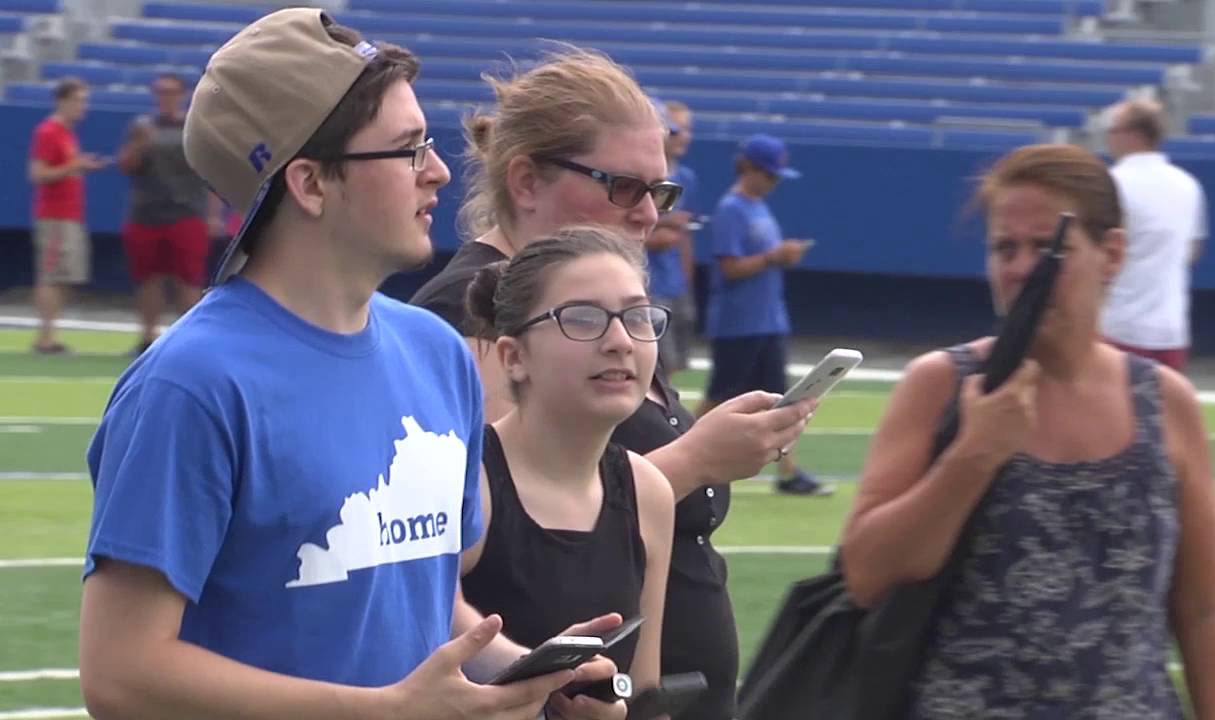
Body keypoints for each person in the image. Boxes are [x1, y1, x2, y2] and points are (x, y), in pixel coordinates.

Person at [78, 10, 621, 720]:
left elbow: (427, 602)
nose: (436, 173)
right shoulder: (193, 385)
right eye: (407, 150)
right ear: (308, 183)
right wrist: (383, 709)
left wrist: (523, 672)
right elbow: (121, 673)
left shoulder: (438, 356)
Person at [409, 47, 816, 720]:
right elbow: (510, 530)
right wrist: (696, 460)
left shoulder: (619, 311)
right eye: (622, 186)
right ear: (527, 181)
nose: (649, 214)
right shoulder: (470, 314)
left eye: (660, 191)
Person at [840, 144, 1215, 718]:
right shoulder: (942, 386)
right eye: (1005, 248)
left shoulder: (1164, 403)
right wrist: (973, 455)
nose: (1022, 268)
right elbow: (867, 574)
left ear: (1113, 253)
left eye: (1049, 248)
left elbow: (1203, 608)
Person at [461, 226, 675, 702]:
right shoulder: (466, 481)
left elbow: (642, 691)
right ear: (514, 357)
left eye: (637, 317)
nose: (620, 341)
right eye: (583, 318)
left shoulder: (648, 492)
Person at [699, 134, 827, 497]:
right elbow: (730, 267)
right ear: (748, 168)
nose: (773, 182)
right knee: (721, 393)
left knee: (781, 397)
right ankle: (675, 448)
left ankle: (788, 471)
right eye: (769, 174)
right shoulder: (731, 209)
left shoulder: (756, 207)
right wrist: (775, 257)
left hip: (767, 318)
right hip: (739, 322)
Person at [1100, 98, 1208, 372]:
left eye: (1112, 130)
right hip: (1171, 330)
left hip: (1118, 327)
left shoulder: (1113, 182)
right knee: (1163, 414)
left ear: (1132, 135)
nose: (1108, 138)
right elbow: (1191, 252)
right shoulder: (1187, 185)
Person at [116, 72, 220, 354]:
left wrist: (212, 214)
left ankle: (190, 339)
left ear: (182, 95)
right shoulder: (142, 127)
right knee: (147, 278)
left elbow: (209, 173)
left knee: (188, 279)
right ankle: (147, 337)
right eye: (161, 92)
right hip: (146, 213)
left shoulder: (194, 127)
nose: (166, 98)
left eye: (172, 92)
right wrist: (139, 143)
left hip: (186, 213)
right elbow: (125, 165)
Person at [27, 76, 108, 354]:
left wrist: (79, 166)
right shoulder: (49, 132)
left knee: (63, 275)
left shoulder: (67, 134)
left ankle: (50, 334)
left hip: (69, 215)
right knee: (50, 274)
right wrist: (75, 166)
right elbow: (37, 174)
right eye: (78, 100)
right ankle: (45, 338)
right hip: (55, 216)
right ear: (62, 101)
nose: (83, 106)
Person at [646, 100, 698, 379]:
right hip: (650, 279)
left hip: (673, 278)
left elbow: (683, 236)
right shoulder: (644, 174)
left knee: (675, 359)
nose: (680, 137)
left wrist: (687, 278)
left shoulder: (686, 177)